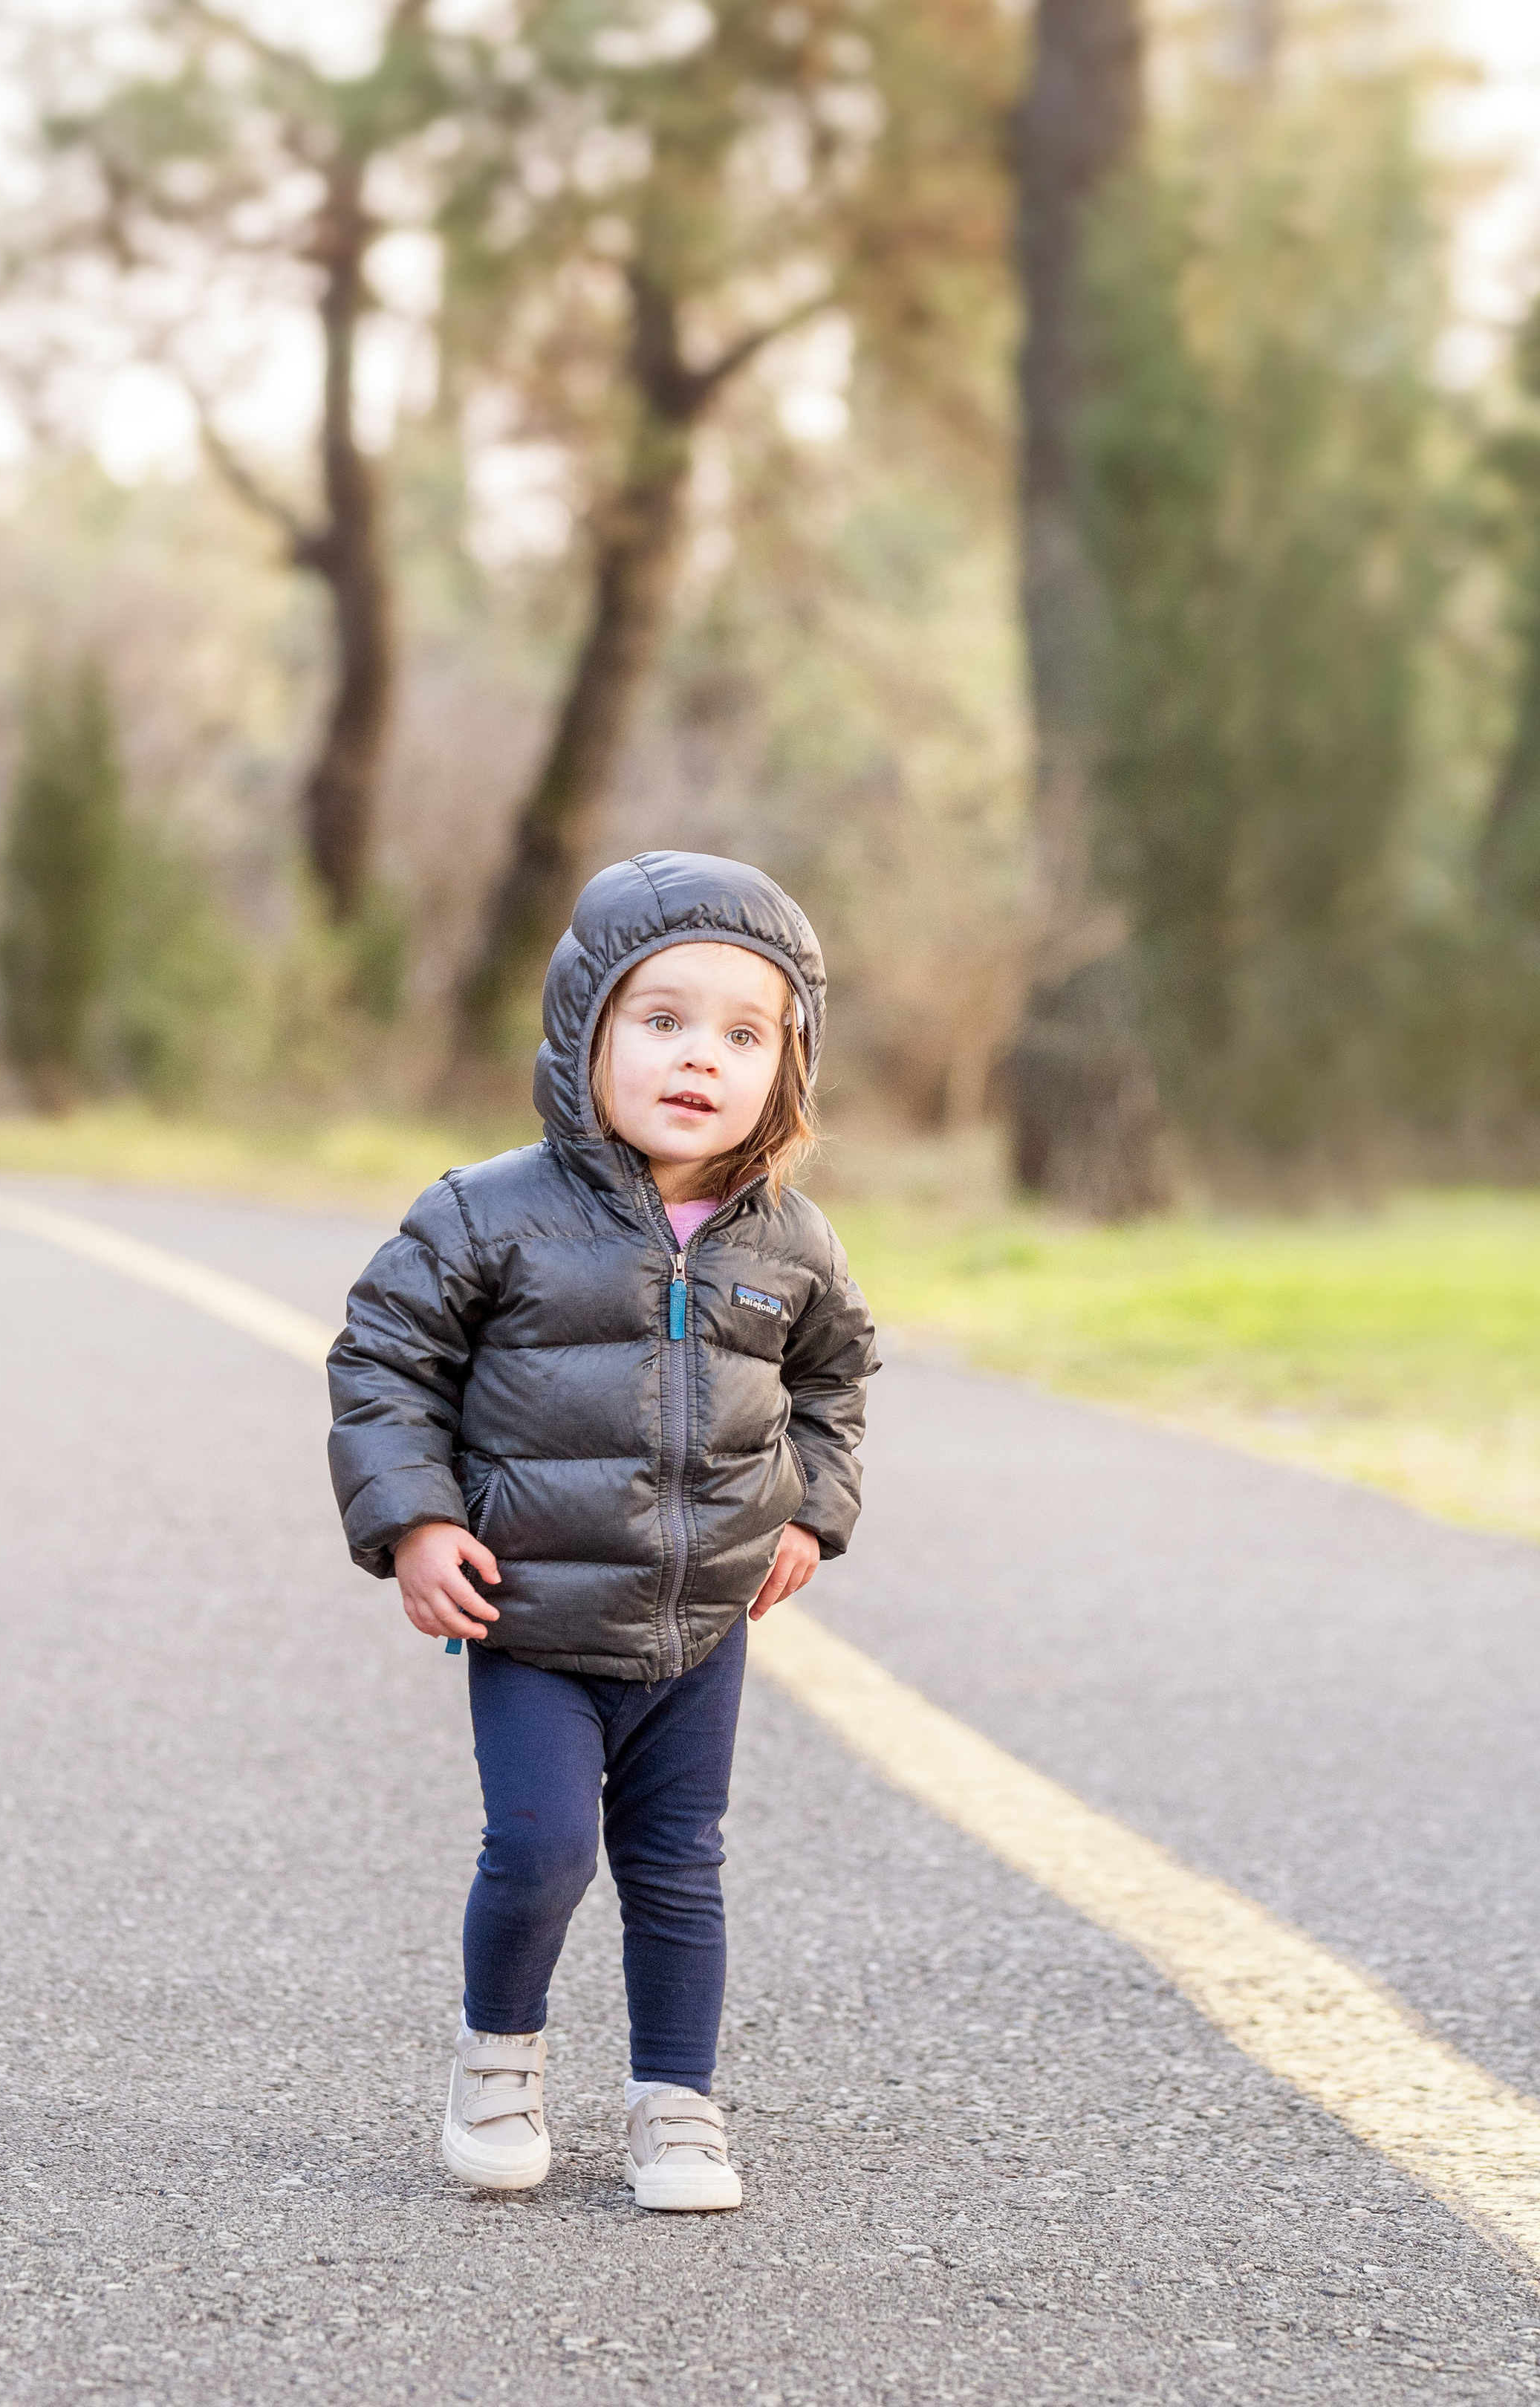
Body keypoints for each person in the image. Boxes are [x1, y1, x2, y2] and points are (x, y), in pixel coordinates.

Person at [327, 851, 879, 2212]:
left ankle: (675, 2103)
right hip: (533, 1613)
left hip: (701, 1622)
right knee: (543, 1851)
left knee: (680, 1868)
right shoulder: (486, 1212)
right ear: (585, 1030)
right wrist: (417, 1522)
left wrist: (812, 1510)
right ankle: (497, 2062)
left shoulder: (791, 1243)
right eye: (663, 1020)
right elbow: (386, 1364)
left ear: (789, 1068)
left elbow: (835, 1385)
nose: (700, 1058)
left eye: (744, 1036)